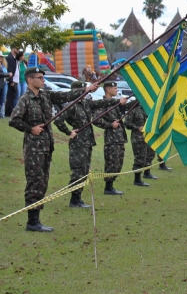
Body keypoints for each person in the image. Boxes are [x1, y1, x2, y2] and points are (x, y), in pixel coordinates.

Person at [9, 67, 99, 231]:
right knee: (34, 183)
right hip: (33, 149)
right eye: (40, 78)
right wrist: (30, 129)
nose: (43, 80)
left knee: (42, 183)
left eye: (43, 77)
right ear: (30, 80)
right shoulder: (25, 99)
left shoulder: (45, 95)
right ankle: (32, 222)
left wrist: (86, 90)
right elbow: (14, 120)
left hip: (46, 147)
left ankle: (36, 220)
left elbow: (65, 95)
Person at [55, 81, 124, 207]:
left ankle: (78, 198)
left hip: (87, 142)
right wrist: (68, 132)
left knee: (84, 171)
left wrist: (118, 101)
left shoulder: (85, 103)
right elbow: (58, 120)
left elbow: (101, 102)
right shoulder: (72, 105)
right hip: (78, 143)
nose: (86, 92)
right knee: (78, 172)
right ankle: (74, 200)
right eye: (83, 90)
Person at [93, 82, 131, 195]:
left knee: (118, 162)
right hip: (111, 138)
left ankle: (111, 185)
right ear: (108, 89)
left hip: (119, 137)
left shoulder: (115, 102)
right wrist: (110, 125)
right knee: (111, 162)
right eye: (115, 88)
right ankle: (108, 187)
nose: (117, 90)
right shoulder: (103, 104)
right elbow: (96, 119)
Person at [124, 100, 157, 186]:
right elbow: (127, 123)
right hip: (138, 137)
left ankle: (147, 172)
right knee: (140, 158)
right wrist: (137, 127)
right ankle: (137, 179)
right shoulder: (134, 109)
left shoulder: (150, 108)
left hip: (149, 136)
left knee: (150, 155)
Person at [5, 48, 19, 117]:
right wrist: (11, 81)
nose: (18, 50)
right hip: (11, 80)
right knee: (10, 97)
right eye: (17, 49)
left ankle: (10, 112)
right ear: (13, 48)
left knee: (13, 97)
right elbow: (9, 70)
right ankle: (8, 112)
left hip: (15, 80)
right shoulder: (10, 58)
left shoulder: (14, 58)